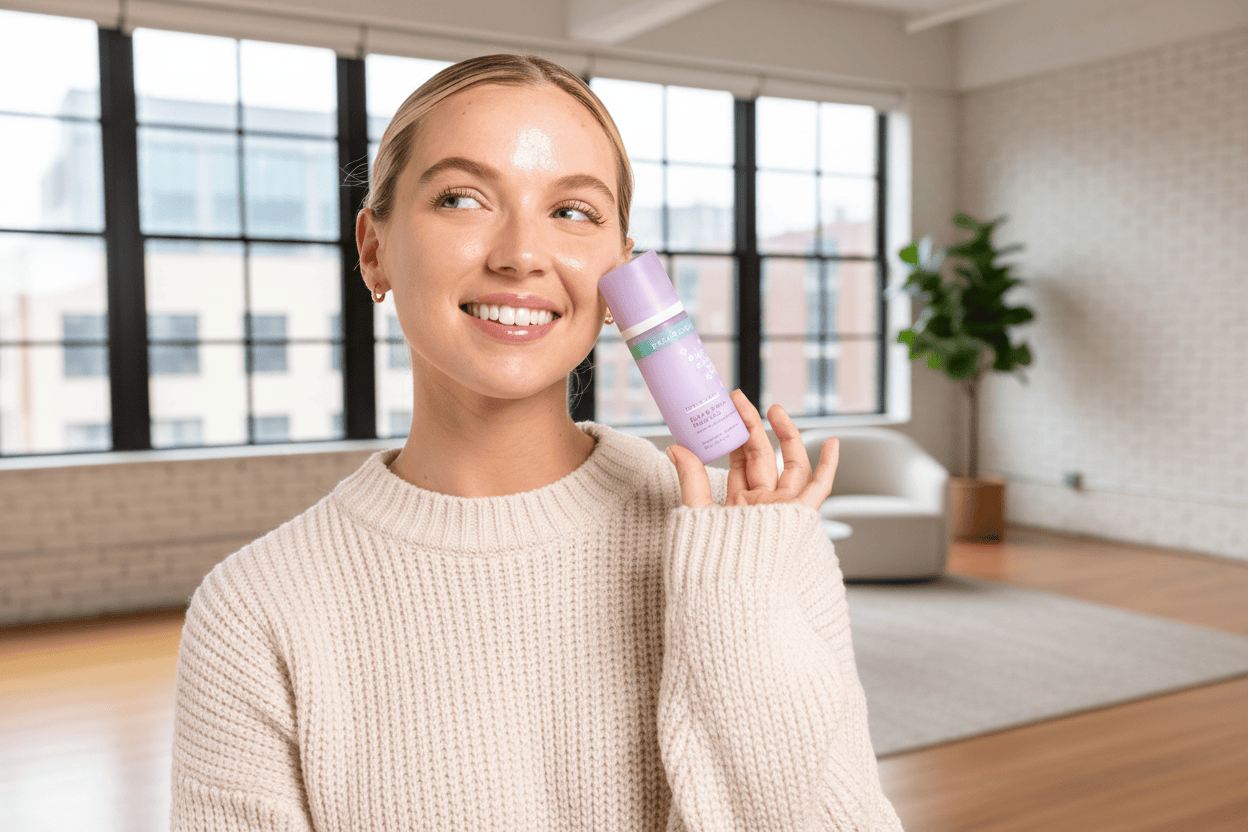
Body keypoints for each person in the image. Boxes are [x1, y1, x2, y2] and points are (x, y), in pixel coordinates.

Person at [170, 53, 903, 831]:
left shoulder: (753, 545)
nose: (521, 252)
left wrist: (735, 601)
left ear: (623, 269)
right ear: (374, 249)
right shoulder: (254, 609)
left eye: (574, 212)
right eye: (461, 198)